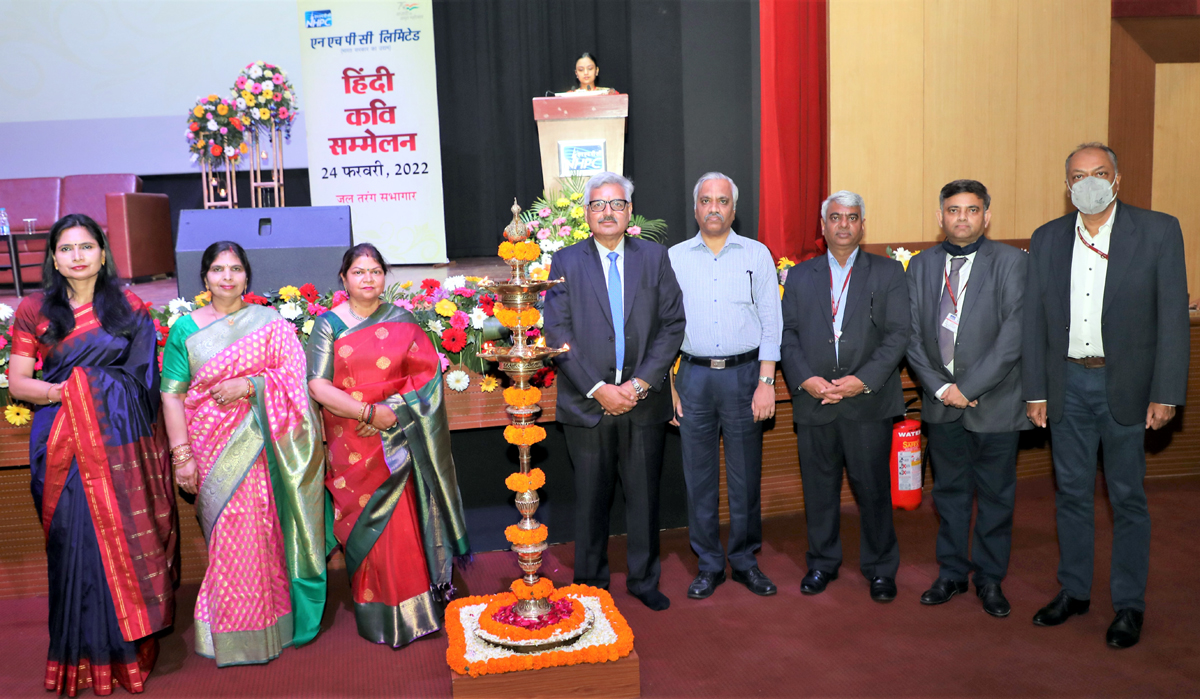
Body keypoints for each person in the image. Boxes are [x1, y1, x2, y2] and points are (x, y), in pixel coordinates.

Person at [1023, 143, 1189, 648]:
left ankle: (1129, 604)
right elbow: (1034, 322)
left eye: (1099, 173)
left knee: (1127, 498)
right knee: (1071, 494)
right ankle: (1074, 591)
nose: (1088, 181)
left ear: (1116, 180)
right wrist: (1035, 390)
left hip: (1128, 386)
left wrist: (1166, 391)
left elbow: (1172, 321)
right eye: (1078, 174)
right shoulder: (1048, 238)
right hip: (1066, 385)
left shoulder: (1159, 231)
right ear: (1066, 183)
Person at [9, 214, 177, 696]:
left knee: (117, 542)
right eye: (66, 249)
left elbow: (143, 380)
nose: (77, 256)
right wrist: (66, 394)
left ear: (103, 254)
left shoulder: (129, 308)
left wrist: (89, 391)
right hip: (58, 438)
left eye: (87, 247)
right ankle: (75, 656)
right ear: (54, 259)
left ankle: (125, 655)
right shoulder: (35, 309)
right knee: (71, 542)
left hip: (118, 442)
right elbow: (20, 380)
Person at [160, 241, 326, 666]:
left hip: (261, 438)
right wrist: (182, 457)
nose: (227, 277)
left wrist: (250, 386)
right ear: (204, 278)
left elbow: (294, 379)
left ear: (247, 277)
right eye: (218, 269)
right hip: (208, 442)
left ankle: (271, 624)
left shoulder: (269, 323)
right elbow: (172, 395)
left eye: (235, 269)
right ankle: (230, 629)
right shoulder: (185, 329)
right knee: (228, 532)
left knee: (263, 528)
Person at [306, 243, 470, 647]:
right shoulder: (328, 325)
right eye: (358, 272)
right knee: (365, 524)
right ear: (343, 278)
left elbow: (427, 378)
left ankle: (419, 610)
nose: (367, 279)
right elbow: (317, 384)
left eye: (375, 271)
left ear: (385, 276)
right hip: (351, 439)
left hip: (398, 433)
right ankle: (378, 614)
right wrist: (365, 413)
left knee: (402, 523)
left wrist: (391, 411)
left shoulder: (403, 320)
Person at [543, 171, 685, 611]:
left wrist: (639, 385)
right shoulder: (566, 261)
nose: (608, 212)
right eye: (599, 205)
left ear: (629, 213)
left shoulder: (655, 257)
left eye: (617, 204)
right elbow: (557, 332)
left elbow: (672, 326)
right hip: (589, 405)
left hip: (643, 402)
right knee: (590, 501)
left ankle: (644, 581)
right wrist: (598, 388)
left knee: (643, 499)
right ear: (586, 213)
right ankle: (590, 586)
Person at [905, 180, 1029, 617]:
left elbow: (1014, 336)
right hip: (940, 402)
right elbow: (912, 337)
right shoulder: (920, 266)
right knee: (949, 493)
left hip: (994, 402)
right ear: (940, 217)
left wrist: (968, 388)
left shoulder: (1013, 263)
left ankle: (990, 579)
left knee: (996, 496)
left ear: (986, 216)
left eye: (972, 210)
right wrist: (941, 389)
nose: (962, 218)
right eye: (953, 210)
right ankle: (952, 573)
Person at [779, 190, 909, 603]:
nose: (843, 225)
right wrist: (806, 379)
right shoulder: (800, 276)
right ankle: (822, 562)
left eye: (852, 217)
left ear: (862, 224)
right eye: (835, 217)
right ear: (823, 225)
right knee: (819, 489)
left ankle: (880, 568)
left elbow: (897, 336)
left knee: (872, 489)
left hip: (866, 401)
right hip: (814, 398)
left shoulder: (887, 273)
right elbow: (788, 335)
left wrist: (862, 380)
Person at [668, 172, 782, 600]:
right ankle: (709, 564)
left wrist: (767, 381)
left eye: (722, 201)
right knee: (698, 477)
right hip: (692, 377)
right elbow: (665, 328)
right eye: (705, 201)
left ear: (735, 208)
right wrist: (671, 385)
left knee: (745, 475)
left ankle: (746, 561)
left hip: (745, 376)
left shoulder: (757, 254)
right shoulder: (674, 257)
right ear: (695, 207)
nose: (713, 208)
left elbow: (772, 321)